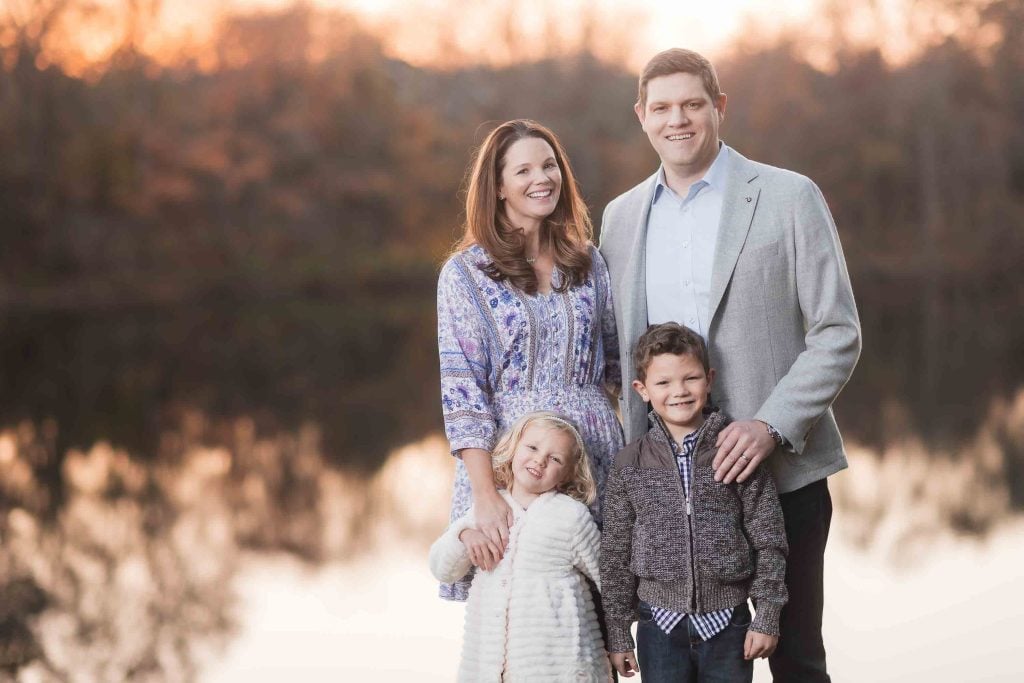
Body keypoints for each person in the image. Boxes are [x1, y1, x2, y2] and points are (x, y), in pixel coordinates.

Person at [599, 49, 861, 682]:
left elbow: (838, 333)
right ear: (641, 117)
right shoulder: (621, 217)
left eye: (692, 103)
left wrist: (769, 424)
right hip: (667, 496)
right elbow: (614, 351)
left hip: (782, 472)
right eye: (661, 107)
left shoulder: (789, 196)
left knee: (797, 659)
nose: (678, 120)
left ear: (718, 107)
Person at [437, 119, 623, 601]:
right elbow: (463, 393)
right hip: (509, 462)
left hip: (592, 451)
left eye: (549, 165)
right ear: (498, 187)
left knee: (595, 612)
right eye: (523, 170)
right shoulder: (466, 275)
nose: (542, 178)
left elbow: (617, 366)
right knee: (510, 606)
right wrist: (485, 495)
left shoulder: (588, 261)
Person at [600, 323, 788, 682]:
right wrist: (619, 631)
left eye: (691, 378)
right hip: (659, 627)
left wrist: (766, 614)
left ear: (710, 379)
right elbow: (615, 555)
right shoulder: (630, 464)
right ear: (641, 389)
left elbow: (769, 541)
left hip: (729, 624)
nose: (680, 392)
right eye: (664, 382)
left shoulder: (737, 452)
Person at [429, 411, 612, 682]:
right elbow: (442, 568)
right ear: (513, 449)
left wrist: (620, 641)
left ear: (567, 475)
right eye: (533, 447)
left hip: (558, 666)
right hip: (489, 667)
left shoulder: (570, 516)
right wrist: (465, 536)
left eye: (555, 458)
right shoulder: (487, 510)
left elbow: (610, 580)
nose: (540, 460)